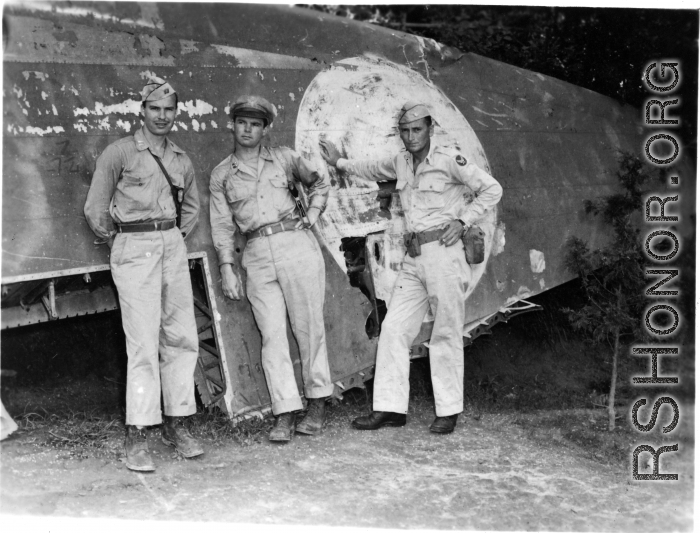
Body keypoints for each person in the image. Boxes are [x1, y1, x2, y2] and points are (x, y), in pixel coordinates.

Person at [320, 102, 503, 434]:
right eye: (404, 130)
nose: (410, 136)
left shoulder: (449, 161)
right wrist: (338, 162)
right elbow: (372, 168)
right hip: (414, 257)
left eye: (416, 129)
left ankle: (448, 411)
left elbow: (492, 189)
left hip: (445, 257)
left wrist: (463, 221)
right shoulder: (401, 161)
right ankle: (391, 409)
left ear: (430, 129)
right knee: (393, 330)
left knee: (446, 332)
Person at [84, 76, 203, 471]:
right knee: (142, 344)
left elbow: (191, 212)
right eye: (155, 109)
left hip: (171, 246)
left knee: (181, 337)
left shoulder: (181, 159)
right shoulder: (119, 153)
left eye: (169, 110)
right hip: (134, 249)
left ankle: (178, 424)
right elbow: (95, 209)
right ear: (143, 111)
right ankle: (138, 435)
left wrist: (170, 239)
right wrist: (126, 241)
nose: (163, 116)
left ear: (176, 113)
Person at [209, 95, 333, 442]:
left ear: (265, 129)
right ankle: (285, 412)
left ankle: (318, 402)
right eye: (242, 122)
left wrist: (312, 214)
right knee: (272, 336)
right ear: (232, 125)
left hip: (295, 243)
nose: (248, 129)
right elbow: (221, 226)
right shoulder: (222, 174)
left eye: (256, 124)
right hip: (257, 253)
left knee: (309, 328)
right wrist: (227, 268)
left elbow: (319, 181)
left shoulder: (284, 158)